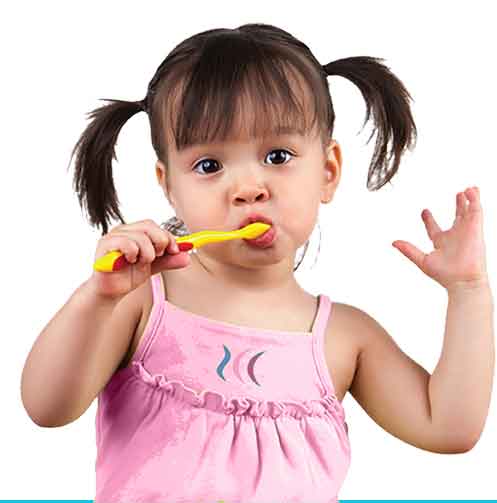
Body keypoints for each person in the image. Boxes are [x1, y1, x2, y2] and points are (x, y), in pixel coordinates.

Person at [21, 23, 493, 502]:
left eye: (278, 155)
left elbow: (449, 427)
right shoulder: (142, 302)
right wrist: (95, 301)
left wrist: (469, 291)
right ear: (169, 186)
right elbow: (46, 407)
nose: (248, 187)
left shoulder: (346, 338)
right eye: (209, 166)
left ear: (327, 172)